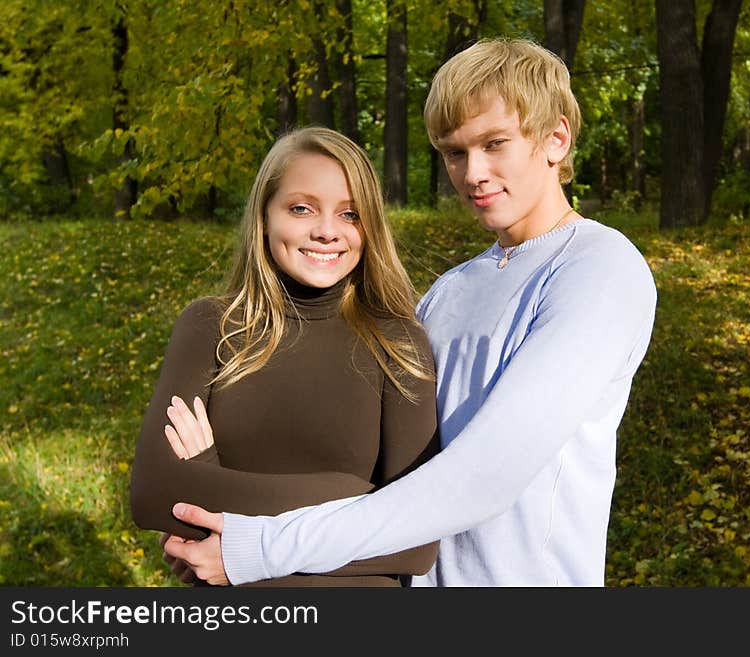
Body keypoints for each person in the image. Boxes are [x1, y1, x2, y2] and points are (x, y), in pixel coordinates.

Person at [163, 37, 657, 587]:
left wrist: (259, 548)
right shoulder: (448, 291)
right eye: (454, 151)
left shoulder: (600, 268)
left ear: (556, 139)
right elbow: (367, 465)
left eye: (495, 144)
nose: (473, 173)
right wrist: (213, 477)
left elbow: (485, 477)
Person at [129, 126, 440, 587]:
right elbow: (155, 493)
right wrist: (353, 498)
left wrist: (220, 504)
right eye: (301, 208)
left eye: (350, 214)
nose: (327, 231)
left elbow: (416, 544)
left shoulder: (397, 344)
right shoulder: (212, 327)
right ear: (265, 217)